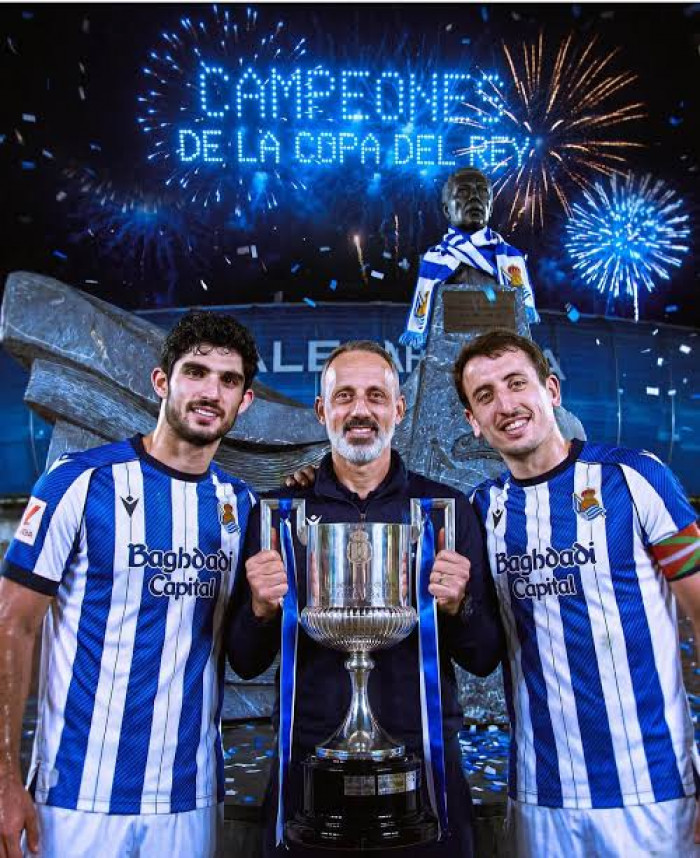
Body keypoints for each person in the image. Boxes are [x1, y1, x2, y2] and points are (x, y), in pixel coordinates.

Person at [227, 340, 505, 858]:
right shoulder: (278, 513)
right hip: (307, 772)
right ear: (322, 411)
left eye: (376, 396)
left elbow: (484, 657)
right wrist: (260, 610)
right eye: (345, 396)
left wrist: (459, 604)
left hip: (426, 771)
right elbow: (244, 661)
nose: (360, 410)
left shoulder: (445, 511)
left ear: (397, 409)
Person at [0, 311, 260, 858]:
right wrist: (4, 778)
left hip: (189, 800)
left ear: (245, 401)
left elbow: (245, 639)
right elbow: (12, 625)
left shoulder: (240, 506)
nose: (210, 392)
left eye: (228, 380)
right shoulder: (78, 481)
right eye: (195, 372)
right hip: (75, 796)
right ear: (162, 381)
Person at [453, 329, 700, 857]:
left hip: (653, 790)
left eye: (516, 383)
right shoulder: (481, 511)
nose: (506, 405)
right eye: (485, 396)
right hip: (539, 798)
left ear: (551, 390)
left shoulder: (636, 477)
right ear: (473, 421)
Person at [400, 167, 539, 350]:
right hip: (450, 356)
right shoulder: (434, 261)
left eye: (482, 192)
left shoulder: (511, 259)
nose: (475, 198)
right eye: (463, 192)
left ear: (490, 208)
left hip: (499, 352)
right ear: (447, 210)